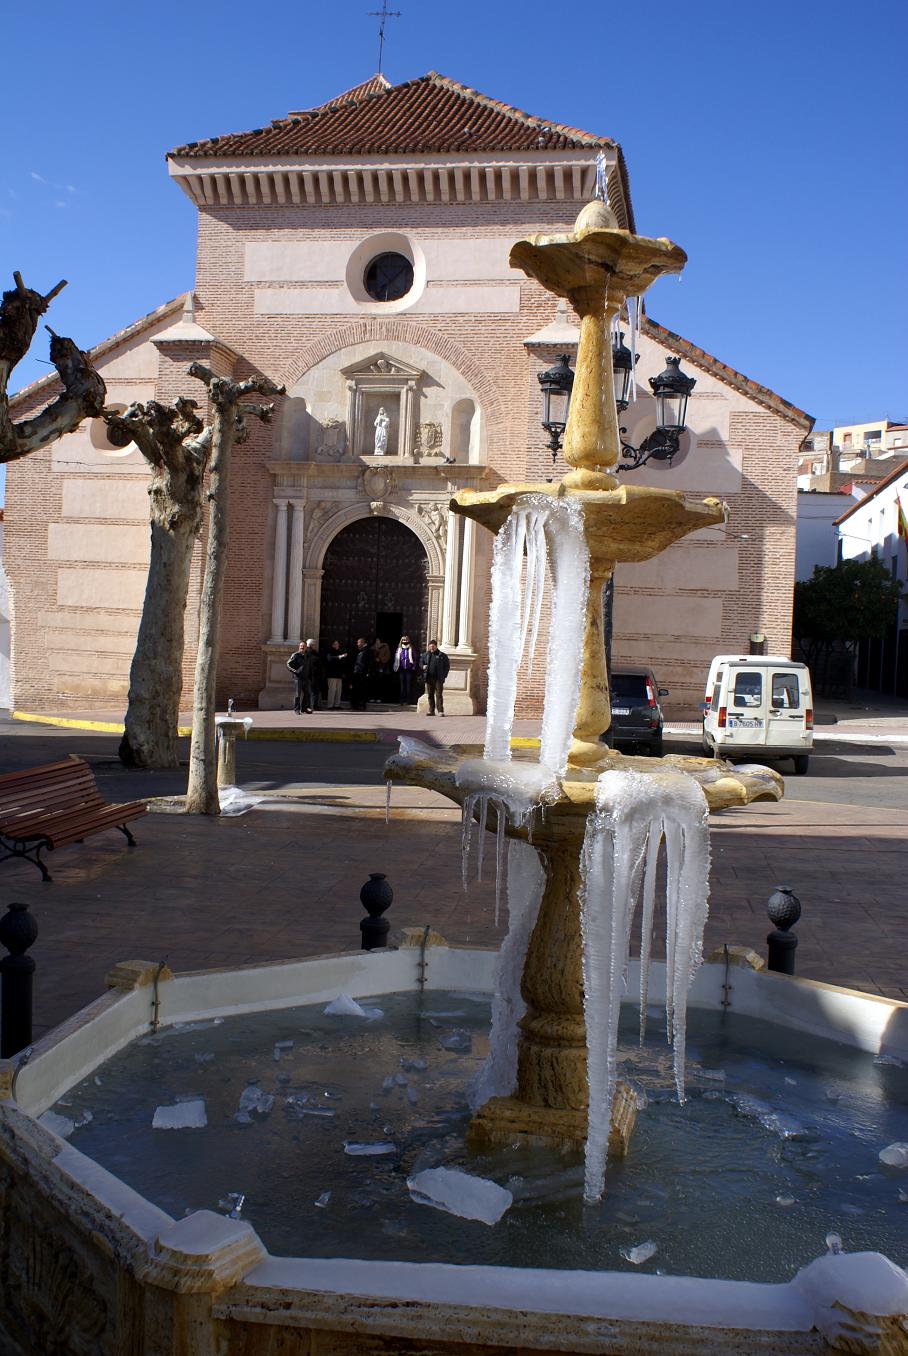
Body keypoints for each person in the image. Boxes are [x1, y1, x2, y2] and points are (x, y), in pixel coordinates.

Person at [286, 641, 320, 715]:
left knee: (307, 694)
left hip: (306, 678)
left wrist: (311, 675)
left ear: (306, 647)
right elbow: (288, 664)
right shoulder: (295, 655)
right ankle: (297, 709)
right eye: (301, 646)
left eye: (304, 646)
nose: (302, 647)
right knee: (297, 694)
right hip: (298, 678)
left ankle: (304, 709)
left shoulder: (308, 656)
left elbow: (310, 666)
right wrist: (295, 671)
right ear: (299, 647)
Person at [420, 639, 449, 716]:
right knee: (430, 695)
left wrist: (444, 675)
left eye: (433, 646)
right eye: (430, 646)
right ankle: (431, 710)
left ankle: (440, 711)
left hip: (438, 679)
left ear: (436, 646)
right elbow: (421, 662)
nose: (431, 648)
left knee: (439, 695)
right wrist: (422, 666)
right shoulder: (426, 655)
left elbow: (447, 666)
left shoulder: (442, 656)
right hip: (429, 678)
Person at [393, 635, 417, 706]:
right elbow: (396, 658)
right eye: (403, 640)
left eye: (406, 640)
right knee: (402, 686)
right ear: (401, 641)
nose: (405, 641)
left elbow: (415, 658)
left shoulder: (411, 649)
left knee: (408, 686)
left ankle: (408, 700)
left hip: (408, 669)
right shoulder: (399, 649)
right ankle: (401, 701)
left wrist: (413, 666)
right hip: (401, 669)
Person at [351, 637, 373, 711]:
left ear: (363, 643)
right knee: (356, 689)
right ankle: (356, 705)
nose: (357, 644)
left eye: (359, 642)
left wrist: (368, 672)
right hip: (357, 673)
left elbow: (369, 663)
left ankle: (362, 705)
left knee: (362, 690)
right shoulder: (359, 651)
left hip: (362, 673)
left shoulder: (367, 651)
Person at [325, 640, 347, 710]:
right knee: (332, 690)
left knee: (338, 691)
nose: (338, 645)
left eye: (338, 644)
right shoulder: (329, 651)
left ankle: (337, 705)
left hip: (339, 675)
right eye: (336, 644)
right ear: (333, 645)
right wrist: (340, 657)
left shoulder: (339, 652)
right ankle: (330, 705)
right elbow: (330, 659)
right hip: (331, 675)